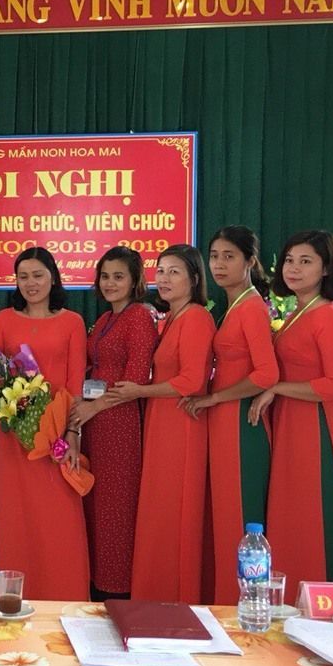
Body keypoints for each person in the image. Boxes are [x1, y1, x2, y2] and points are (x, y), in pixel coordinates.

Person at [251, 230, 333, 586]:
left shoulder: (327, 315)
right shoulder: (298, 311)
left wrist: (277, 388)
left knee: (308, 510)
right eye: (290, 260)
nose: (293, 268)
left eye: (305, 261)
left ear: (326, 269)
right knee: (290, 509)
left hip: (314, 425)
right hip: (292, 420)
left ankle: (317, 586)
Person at [181, 227, 279, 604]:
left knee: (240, 518)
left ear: (250, 261)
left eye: (229, 256)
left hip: (241, 425)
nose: (219, 264)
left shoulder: (251, 307)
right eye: (214, 256)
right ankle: (225, 599)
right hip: (226, 422)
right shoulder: (235, 305)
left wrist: (215, 397)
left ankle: (245, 605)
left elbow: (266, 373)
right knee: (225, 517)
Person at [0, 247, 89, 601]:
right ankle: (14, 598)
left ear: (53, 278)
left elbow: (75, 385)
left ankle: (65, 597)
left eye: (38, 275)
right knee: (15, 518)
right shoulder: (3, 320)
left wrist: (72, 433)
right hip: (11, 437)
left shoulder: (72, 322)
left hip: (55, 437)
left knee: (59, 518)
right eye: (23, 276)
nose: (30, 283)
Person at [120, 244, 216, 604]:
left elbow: (191, 381)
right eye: (160, 270)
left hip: (181, 426)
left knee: (174, 515)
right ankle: (155, 594)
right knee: (159, 514)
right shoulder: (172, 317)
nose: (164, 278)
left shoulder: (196, 318)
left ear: (194, 278)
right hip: (163, 422)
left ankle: (177, 598)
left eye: (174, 271)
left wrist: (140, 391)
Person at [72, 247, 157, 600]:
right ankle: (97, 587)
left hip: (119, 422)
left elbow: (134, 379)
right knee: (97, 505)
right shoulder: (107, 318)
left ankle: (118, 590)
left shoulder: (139, 316)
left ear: (135, 280)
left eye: (118, 276)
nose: (110, 283)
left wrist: (93, 408)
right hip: (97, 422)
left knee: (117, 507)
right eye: (105, 276)